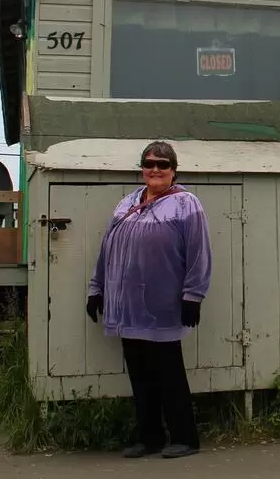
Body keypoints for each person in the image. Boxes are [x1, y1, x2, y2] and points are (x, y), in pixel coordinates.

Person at [86, 141, 212, 459]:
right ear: (142, 168)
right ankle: (150, 437)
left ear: (174, 170)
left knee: (169, 375)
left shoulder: (187, 204)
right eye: (149, 163)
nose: (155, 169)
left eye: (163, 164)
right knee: (140, 375)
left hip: (163, 307)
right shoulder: (126, 203)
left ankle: (185, 438)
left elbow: (199, 252)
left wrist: (193, 295)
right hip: (126, 307)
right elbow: (107, 249)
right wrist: (96, 289)